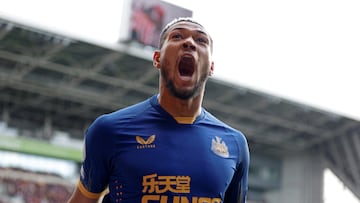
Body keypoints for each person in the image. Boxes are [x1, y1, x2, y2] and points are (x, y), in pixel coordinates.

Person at [67, 17, 250, 203]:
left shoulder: (235, 144)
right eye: (177, 36)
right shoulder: (109, 130)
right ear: (157, 58)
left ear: (211, 67)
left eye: (201, 40)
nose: (189, 43)